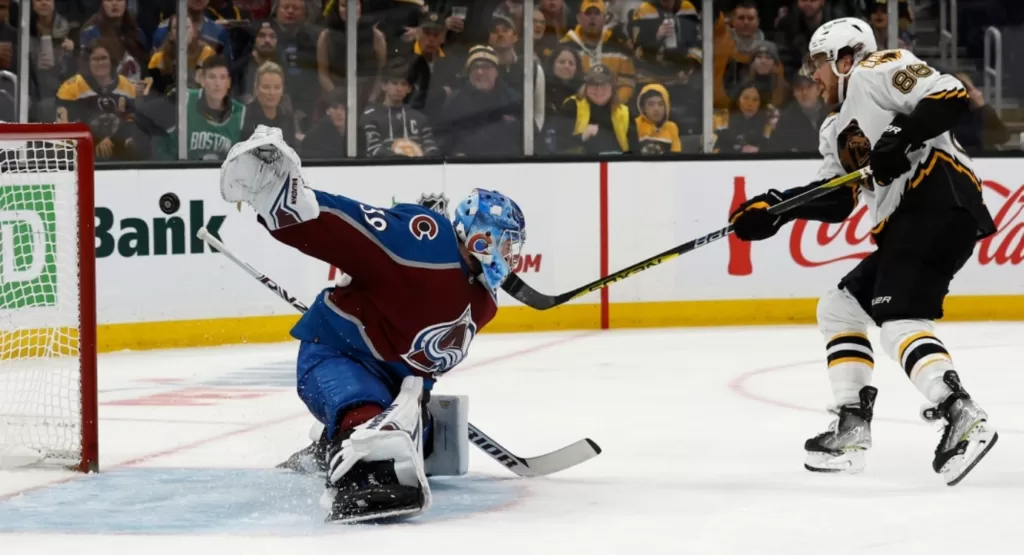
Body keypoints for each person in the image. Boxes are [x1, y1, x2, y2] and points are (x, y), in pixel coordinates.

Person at [728, 18, 998, 486]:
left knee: (900, 321)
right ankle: (851, 427)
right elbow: (836, 197)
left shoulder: (878, 69)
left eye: (818, 64)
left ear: (845, 57)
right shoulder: (835, 126)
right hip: (909, 221)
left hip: (938, 196)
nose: (813, 76)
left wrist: (903, 135)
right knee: (840, 308)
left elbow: (951, 95)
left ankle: (963, 414)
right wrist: (776, 210)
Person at [218, 125, 526, 522]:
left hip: (391, 384)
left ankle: (328, 447)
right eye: (505, 244)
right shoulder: (428, 244)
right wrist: (287, 200)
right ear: (481, 238)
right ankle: (357, 464)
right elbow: (354, 232)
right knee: (364, 412)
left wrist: (417, 396)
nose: (510, 256)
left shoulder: (483, 303)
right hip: (335, 354)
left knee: (417, 437)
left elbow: (421, 347)